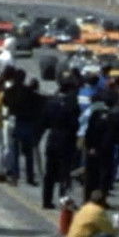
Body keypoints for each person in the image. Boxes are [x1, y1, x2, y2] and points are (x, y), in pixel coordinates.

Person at [41, 79, 80, 207]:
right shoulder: (72, 104)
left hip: (53, 138)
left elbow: (44, 121)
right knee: (65, 172)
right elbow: (75, 124)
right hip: (66, 140)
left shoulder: (51, 102)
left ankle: (46, 200)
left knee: (49, 172)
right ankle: (64, 200)